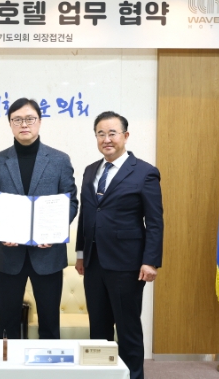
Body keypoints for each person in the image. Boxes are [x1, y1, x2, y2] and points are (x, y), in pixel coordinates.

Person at [75, 111, 163, 379]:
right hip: (94, 262)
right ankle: (101, 375)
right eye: (100, 134)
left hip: (127, 264)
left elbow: (155, 221)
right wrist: (80, 254)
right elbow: (87, 214)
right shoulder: (91, 170)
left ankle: (133, 376)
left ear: (125, 136)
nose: (106, 139)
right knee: (98, 328)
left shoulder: (145, 172)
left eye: (112, 133)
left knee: (127, 328)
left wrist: (150, 261)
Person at [0, 97, 78, 339]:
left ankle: (49, 363)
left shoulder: (59, 160)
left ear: (39, 121)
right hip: (9, 254)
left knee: (49, 321)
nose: (24, 124)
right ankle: (8, 362)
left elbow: (71, 202)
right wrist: (1, 231)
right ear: (10, 124)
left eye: (29, 119)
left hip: (48, 253)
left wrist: (55, 232)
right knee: (7, 322)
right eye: (17, 120)